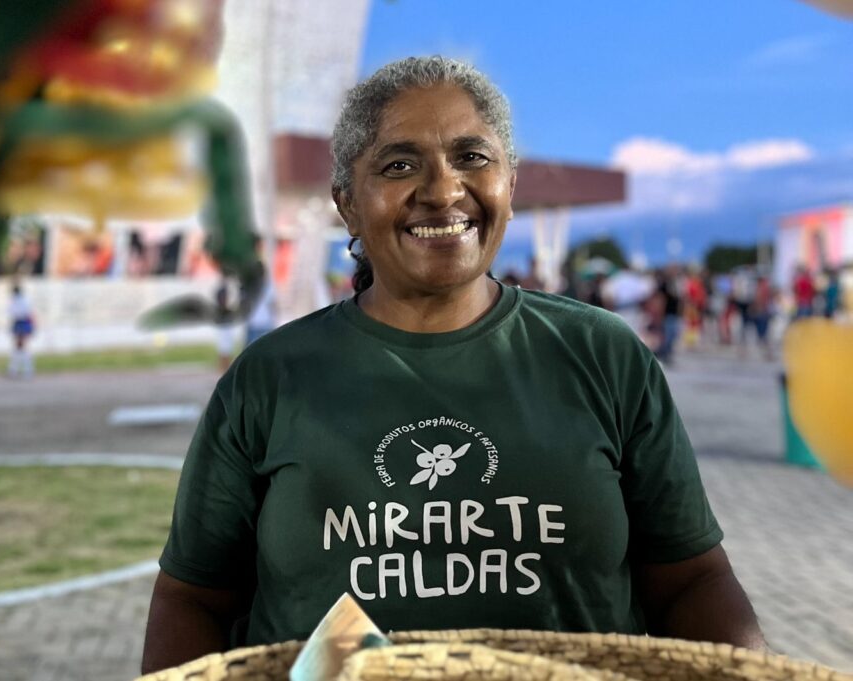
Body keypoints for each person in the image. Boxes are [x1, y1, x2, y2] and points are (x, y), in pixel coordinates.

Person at [141, 57, 765, 674]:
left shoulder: (603, 354)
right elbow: (191, 598)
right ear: (347, 206)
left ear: (509, 185)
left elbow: (692, 580)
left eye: (472, 157)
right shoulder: (270, 378)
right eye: (399, 164)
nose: (442, 192)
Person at [7, 283, 35, 378]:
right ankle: (16, 370)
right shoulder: (21, 300)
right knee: (19, 348)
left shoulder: (18, 301)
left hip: (22, 323)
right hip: (20, 323)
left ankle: (26, 370)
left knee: (21, 347)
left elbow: (22, 313)